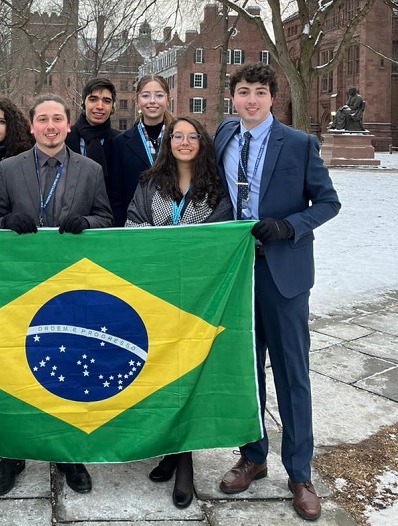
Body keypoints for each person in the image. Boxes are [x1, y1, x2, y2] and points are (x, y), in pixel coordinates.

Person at [213, 62, 341, 521]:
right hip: (237, 274)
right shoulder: (224, 137)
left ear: (272, 98)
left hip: (283, 273)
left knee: (292, 373)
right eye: (243, 91)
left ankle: (300, 471)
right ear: (233, 98)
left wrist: (289, 226)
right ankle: (253, 455)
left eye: (260, 92)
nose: (251, 100)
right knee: (245, 372)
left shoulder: (301, 144)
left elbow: (329, 202)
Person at [0, 94, 113, 496]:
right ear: (34, 126)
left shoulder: (91, 170)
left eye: (58, 118)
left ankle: (69, 454)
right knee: (17, 370)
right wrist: (9, 221)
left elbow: (107, 219)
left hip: (72, 288)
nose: (51, 126)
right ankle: (12, 454)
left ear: (68, 125)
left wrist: (87, 222)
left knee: (69, 369)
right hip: (21, 287)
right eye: (43, 119)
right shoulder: (9, 168)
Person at [125, 117, 231, 509]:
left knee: (189, 376)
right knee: (161, 373)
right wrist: (158, 249)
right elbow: (132, 223)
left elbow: (221, 237)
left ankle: (184, 462)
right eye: (176, 137)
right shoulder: (149, 183)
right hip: (156, 293)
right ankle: (170, 448)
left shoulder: (216, 189)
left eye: (191, 136)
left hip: (197, 296)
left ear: (202, 143)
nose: (184, 142)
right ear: (167, 143)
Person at [110, 74, 173, 226]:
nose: (152, 101)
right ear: (137, 101)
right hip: (135, 226)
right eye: (145, 96)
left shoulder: (180, 139)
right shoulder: (121, 143)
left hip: (174, 225)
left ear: (168, 101)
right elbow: (116, 195)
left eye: (159, 95)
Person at [66, 77, 120, 199]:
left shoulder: (120, 142)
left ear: (112, 107)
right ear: (83, 103)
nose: (99, 106)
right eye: (93, 99)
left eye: (106, 101)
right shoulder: (64, 139)